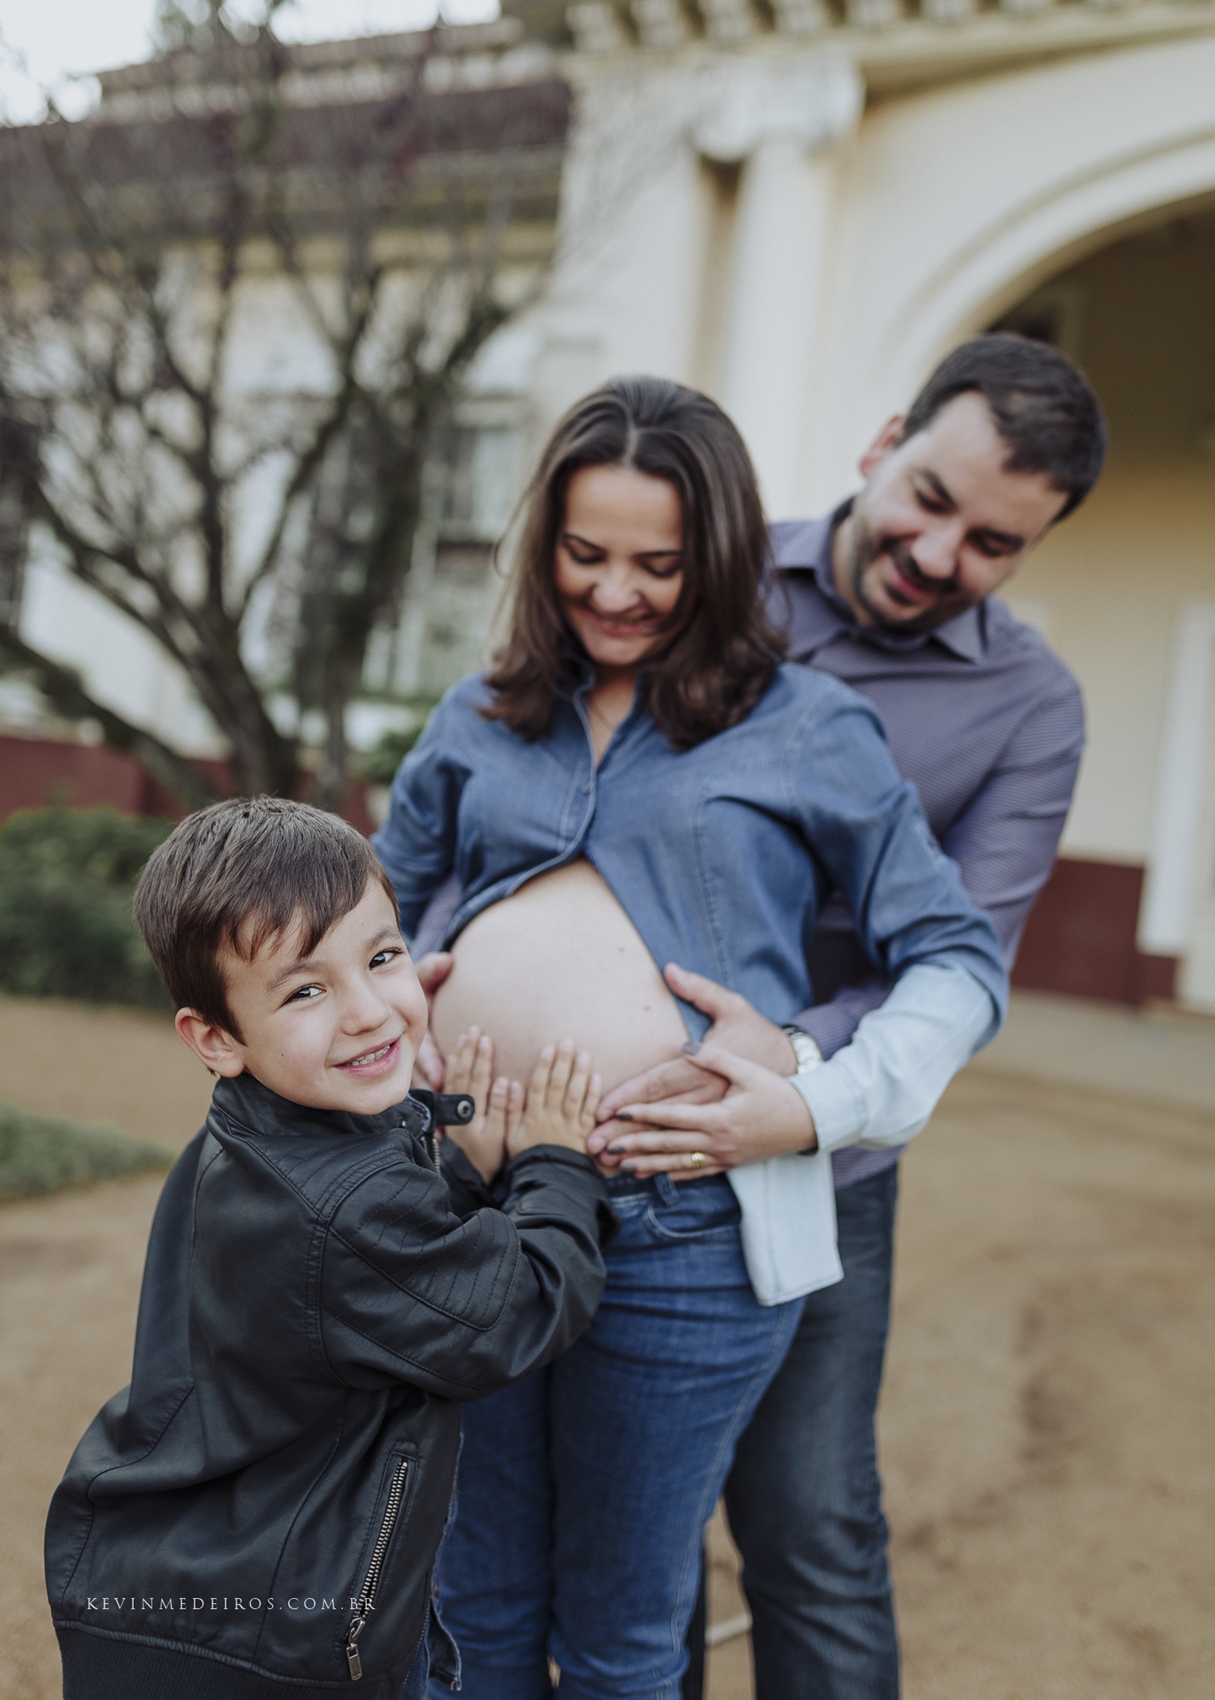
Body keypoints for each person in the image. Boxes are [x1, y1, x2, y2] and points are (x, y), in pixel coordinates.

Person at [370, 375, 1008, 1700]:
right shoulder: (476, 716)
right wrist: (393, 1008)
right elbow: (362, 914)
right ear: (542, 548)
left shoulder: (809, 728)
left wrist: (816, 1099)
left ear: (713, 557)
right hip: (469, 1212)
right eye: (584, 555)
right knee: (465, 1605)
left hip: (683, 1234)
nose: (614, 593)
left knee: (618, 1631)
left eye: (656, 565)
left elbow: (954, 959)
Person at [590, 334, 1107, 1700]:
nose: (941, 555)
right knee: (619, 1524)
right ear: (884, 441)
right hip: (599, 1124)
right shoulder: (702, 563)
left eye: (992, 544)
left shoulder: (1029, 711)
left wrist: (797, 1073)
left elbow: (959, 958)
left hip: (817, 1159)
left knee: (811, 1527)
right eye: (931, 498)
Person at [44, 796, 614, 1700]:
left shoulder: (248, 1137)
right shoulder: (345, 1205)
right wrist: (554, 1165)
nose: (367, 1011)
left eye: (382, 958)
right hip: (270, 1644)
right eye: (305, 989)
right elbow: (515, 1308)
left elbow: (370, 1269)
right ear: (216, 1039)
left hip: (182, 1591)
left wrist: (453, 1166)